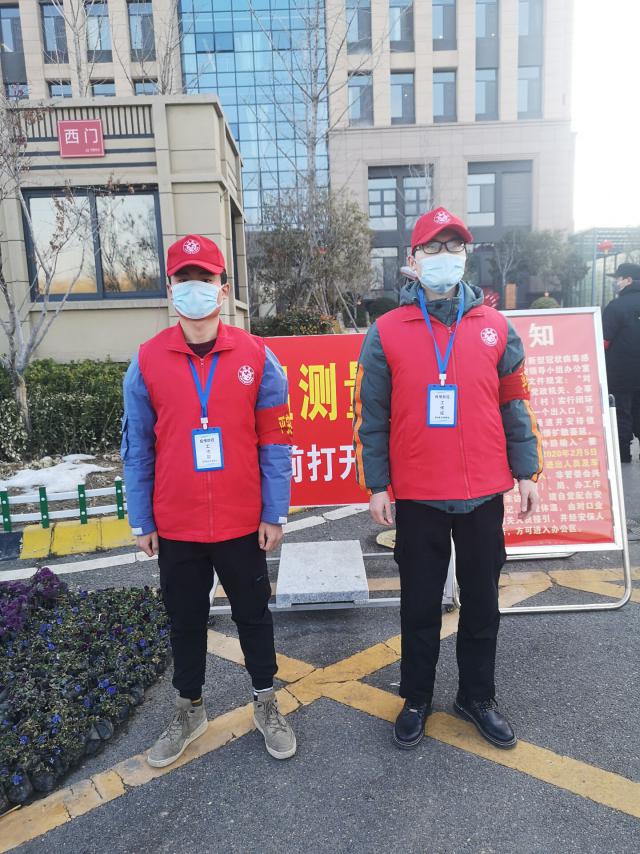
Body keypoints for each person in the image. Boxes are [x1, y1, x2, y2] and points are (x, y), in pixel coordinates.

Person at [353, 207, 543, 751]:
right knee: (419, 605)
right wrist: (377, 484)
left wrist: (526, 470)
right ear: (413, 260)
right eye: (432, 248)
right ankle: (416, 697)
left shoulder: (495, 327)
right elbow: (371, 414)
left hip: (483, 491)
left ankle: (476, 697)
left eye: (453, 247)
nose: (444, 257)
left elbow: (515, 402)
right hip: (418, 495)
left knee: (482, 603)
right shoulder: (387, 331)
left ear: (466, 255)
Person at [121, 234, 296, 766]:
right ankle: (189, 709)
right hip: (177, 524)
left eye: (205, 278)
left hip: (243, 521)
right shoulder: (147, 361)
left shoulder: (256, 356)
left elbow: (275, 439)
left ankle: (266, 702)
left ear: (222, 288)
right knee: (185, 619)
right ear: (170, 289)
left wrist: (274, 511)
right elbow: (137, 447)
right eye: (184, 279)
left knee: (254, 616)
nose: (194, 288)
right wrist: (142, 518)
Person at [602, 262, 640, 462]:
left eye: (618, 278)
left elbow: (604, 341)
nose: (616, 282)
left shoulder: (616, 307)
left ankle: (623, 454)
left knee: (621, 413)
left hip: (621, 373)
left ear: (628, 280)